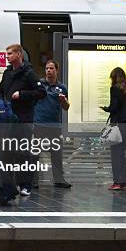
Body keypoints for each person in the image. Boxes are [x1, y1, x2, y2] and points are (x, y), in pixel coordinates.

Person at [0, 44, 46, 197]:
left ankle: (26, 184)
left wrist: (22, 94)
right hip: (9, 119)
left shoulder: (29, 73)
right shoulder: (7, 73)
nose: (7, 56)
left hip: (24, 119)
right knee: (8, 153)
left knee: (23, 153)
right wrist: (1, 105)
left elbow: (41, 92)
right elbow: (0, 91)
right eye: (7, 54)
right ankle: (11, 184)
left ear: (19, 54)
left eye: (10, 53)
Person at [33, 60, 72, 188]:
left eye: (51, 68)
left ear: (56, 70)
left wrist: (63, 100)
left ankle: (59, 180)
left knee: (56, 153)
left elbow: (66, 107)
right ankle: (33, 181)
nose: (48, 70)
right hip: (39, 124)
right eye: (47, 68)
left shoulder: (62, 87)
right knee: (35, 153)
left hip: (55, 126)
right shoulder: (38, 84)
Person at [101, 67, 126, 191]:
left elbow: (114, 107)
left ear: (113, 78)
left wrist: (106, 109)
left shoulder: (114, 89)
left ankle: (117, 182)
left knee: (116, 154)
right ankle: (124, 182)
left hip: (118, 126)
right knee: (122, 154)